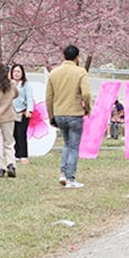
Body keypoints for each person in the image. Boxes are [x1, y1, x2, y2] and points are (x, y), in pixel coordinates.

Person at [46, 45, 92, 189]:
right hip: (75, 113)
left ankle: (63, 173)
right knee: (74, 147)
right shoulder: (80, 72)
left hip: (59, 113)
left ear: (63, 56)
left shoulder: (54, 73)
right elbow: (86, 94)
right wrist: (87, 108)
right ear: (77, 57)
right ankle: (70, 178)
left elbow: (49, 97)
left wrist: (51, 115)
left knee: (66, 144)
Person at [11, 64, 35, 163]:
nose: (16, 74)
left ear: (22, 73)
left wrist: (29, 110)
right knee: (14, 134)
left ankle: (23, 155)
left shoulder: (26, 85)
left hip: (22, 112)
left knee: (21, 134)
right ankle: (16, 154)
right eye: (14, 71)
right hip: (11, 112)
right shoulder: (9, 84)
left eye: (18, 72)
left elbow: (29, 98)